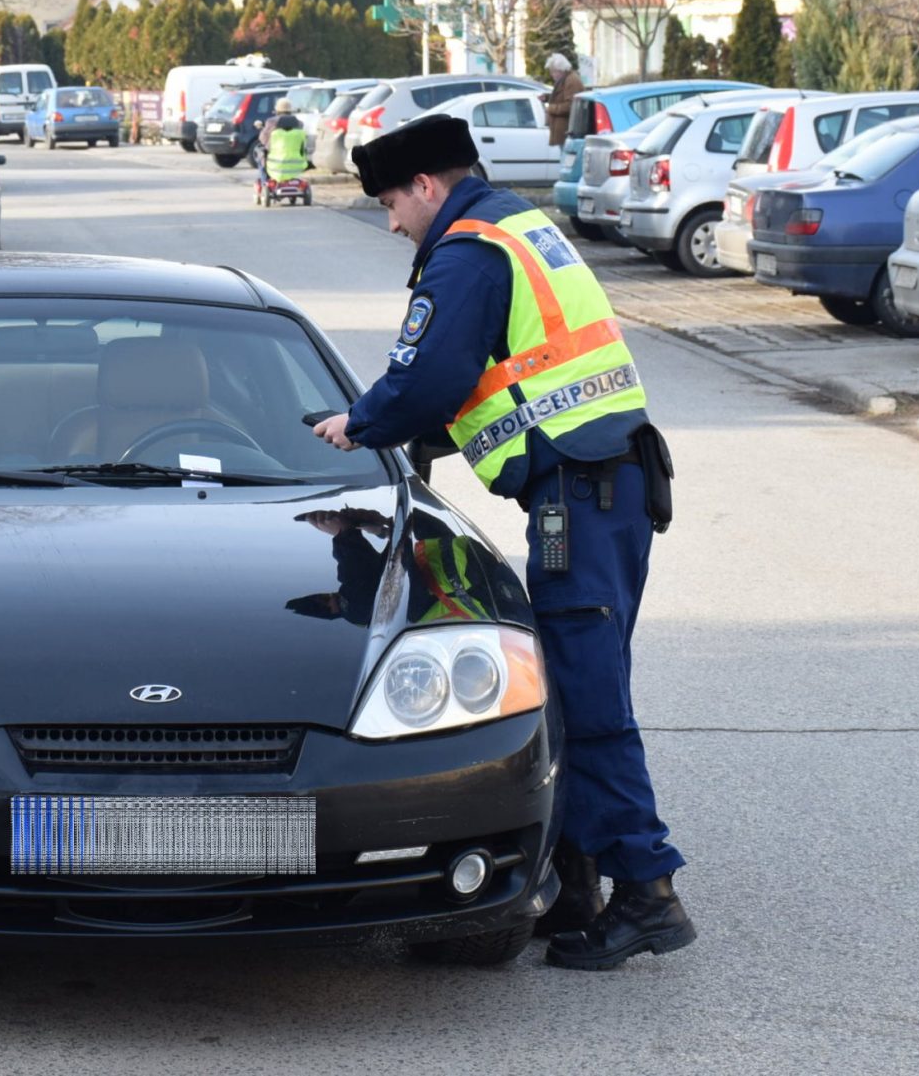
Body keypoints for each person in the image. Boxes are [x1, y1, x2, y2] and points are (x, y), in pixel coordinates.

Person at [312, 114, 694, 970]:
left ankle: (647, 892)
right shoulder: (520, 226)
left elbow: (432, 375)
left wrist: (360, 423)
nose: (391, 223)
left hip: (579, 496)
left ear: (425, 186)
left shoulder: (468, 250)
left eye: (390, 203)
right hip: (608, 486)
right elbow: (511, 377)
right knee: (572, 688)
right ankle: (579, 882)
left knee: (589, 703)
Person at [258, 98, 308, 187]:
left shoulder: (271, 122)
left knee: (260, 156)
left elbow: (263, 139)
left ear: (277, 110)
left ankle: (264, 183)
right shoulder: (299, 124)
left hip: (275, 163)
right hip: (296, 163)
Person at [541, 53, 582, 147]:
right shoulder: (566, 79)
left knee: (566, 159)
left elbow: (571, 105)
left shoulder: (571, 81)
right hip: (564, 130)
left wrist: (550, 108)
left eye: (554, 71)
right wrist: (547, 98)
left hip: (567, 130)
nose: (552, 75)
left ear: (561, 70)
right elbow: (563, 96)